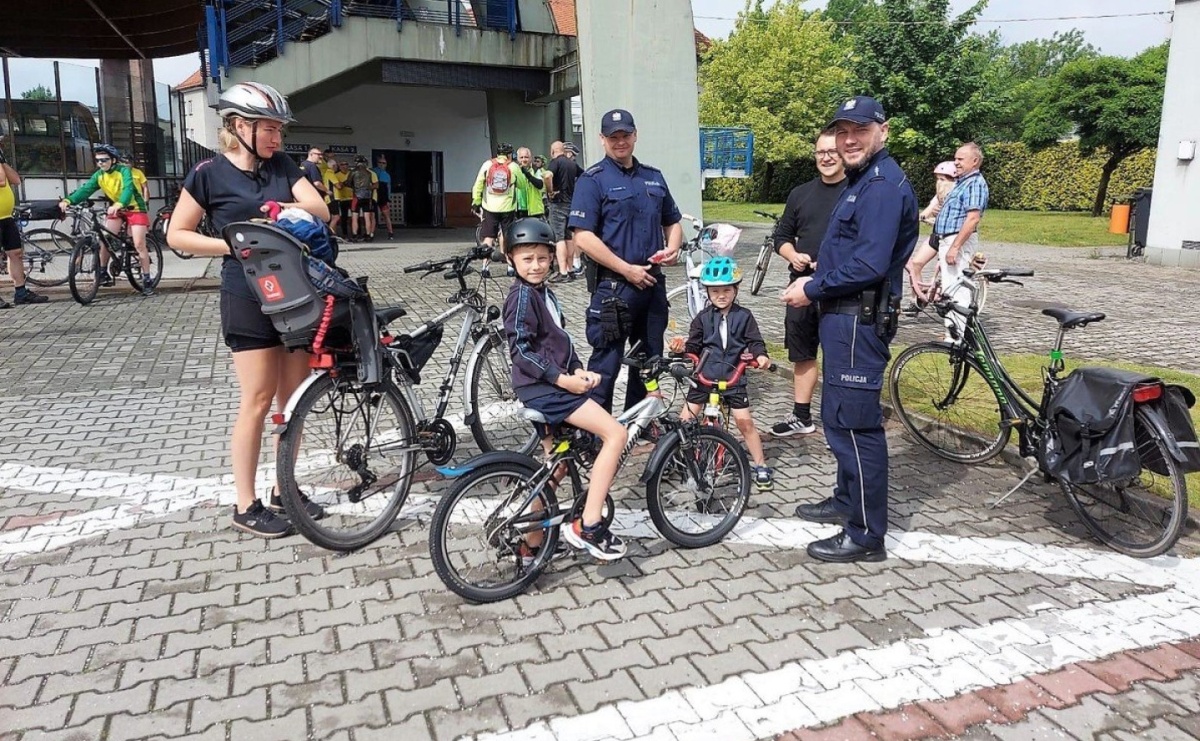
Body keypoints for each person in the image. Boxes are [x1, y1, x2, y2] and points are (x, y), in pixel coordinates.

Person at [166, 81, 330, 538]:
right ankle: (245, 503)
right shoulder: (208, 173)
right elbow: (178, 234)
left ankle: (284, 490)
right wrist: (235, 244)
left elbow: (320, 210)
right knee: (257, 400)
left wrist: (280, 209)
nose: (277, 137)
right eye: (269, 128)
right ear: (240, 126)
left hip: (294, 291)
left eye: (279, 129)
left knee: (293, 401)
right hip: (246, 294)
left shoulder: (282, 165)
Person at [781, 96, 918, 563]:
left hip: (858, 319)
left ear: (883, 130)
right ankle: (845, 499)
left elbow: (870, 264)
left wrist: (812, 287)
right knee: (839, 416)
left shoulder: (880, 187)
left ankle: (864, 534)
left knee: (855, 427)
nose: (849, 139)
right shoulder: (862, 179)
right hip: (844, 317)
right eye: (842, 131)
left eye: (859, 129)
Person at [502, 217, 628, 560]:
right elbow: (521, 350)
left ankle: (531, 545)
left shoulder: (544, 293)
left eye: (543, 258)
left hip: (546, 385)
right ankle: (590, 525)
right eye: (527, 259)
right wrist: (562, 380)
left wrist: (577, 370)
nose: (536, 265)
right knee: (615, 434)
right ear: (511, 258)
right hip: (544, 389)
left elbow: (559, 343)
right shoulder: (522, 297)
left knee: (556, 465)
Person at [570, 109, 683, 412]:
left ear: (635, 135)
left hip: (652, 284)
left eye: (625, 135)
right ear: (602, 139)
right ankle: (597, 431)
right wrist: (626, 269)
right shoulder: (592, 180)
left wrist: (673, 248)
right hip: (615, 288)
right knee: (605, 365)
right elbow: (582, 237)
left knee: (649, 362)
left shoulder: (653, 177)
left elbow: (672, 221)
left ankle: (637, 424)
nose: (620, 142)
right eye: (613, 137)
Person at [668, 256, 774, 490]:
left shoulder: (744, 316)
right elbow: (693, 345)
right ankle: (678, 458)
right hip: (704, 377)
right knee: (685, 420)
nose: (721, 295)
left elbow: (755, 341)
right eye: (715, 291)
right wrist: (681, 348)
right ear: (707, 292)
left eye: (727, 290)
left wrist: (761, 356)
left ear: (736, 289)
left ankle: (760, 464)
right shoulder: (702, 319)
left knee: (744, 422)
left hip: (733, 378)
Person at [769, 130, 847, 438]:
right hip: (800, 286)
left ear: (843, 153)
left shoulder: (856, 191)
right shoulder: (800, 194)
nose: (826, 158)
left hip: (841, 287)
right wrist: (794, 255)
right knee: (802, 353)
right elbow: (781, 237)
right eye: (820, 152)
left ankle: (842, 425)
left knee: (841, 359)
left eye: (832, 152)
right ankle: (801, 416)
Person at [60, 143, 156, 296]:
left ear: (113, 160)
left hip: (135, 208)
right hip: (117, 209)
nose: (100, 163)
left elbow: (128, 189)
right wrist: (68, 200)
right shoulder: (99, 175)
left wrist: (120, 203)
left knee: (139, 244)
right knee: (105, 238)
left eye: (104, 160)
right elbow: (86, 189)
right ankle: (103, 272)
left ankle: (147, 278)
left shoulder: (124, 171)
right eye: (98, 160)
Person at [933, 143, 989, 339]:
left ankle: (957, 337)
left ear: (975, 161)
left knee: (958, 288)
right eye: (955, 158)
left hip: (957, 240)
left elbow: (973, 218)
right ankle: (952, 332)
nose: (955, 162)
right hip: (949, 239)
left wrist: (955, 247)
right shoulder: (962, 182)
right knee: (950, 287)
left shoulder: (975, 183)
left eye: (960, 159)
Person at [903, 160, 957, 313]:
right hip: (936, 235)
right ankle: (917, 299)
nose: (939, 183)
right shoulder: (938, 196)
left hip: (951, 237)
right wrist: (922, 217)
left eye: (943, 179)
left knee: (946, 271)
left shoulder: (956, 194)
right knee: (915, 264)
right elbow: (929, 210)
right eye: (937, 179)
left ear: (952, 180)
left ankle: (950, 302)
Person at [0, 151, 48, 307]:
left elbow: (15, 179)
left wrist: (3, 161)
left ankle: (21, 293)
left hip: (6, 217)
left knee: (15, 253)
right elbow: (1, 180)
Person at [471, 142, 521, 252]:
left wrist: (476, 201)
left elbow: (478, 184)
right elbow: (522, 185)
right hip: (508, 207)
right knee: (506, 234)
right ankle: (506, 260)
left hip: (489, 207)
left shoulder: (487, 164)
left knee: (488, 237)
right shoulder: (513, 166)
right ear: (509, 154)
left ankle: (485, 262)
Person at [547, 141, 584, 281]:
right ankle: (570, 269)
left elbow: (547, 176)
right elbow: (584, 176)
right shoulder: (572, 164)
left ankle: (562, 272)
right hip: (571, 203)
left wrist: (550, 191)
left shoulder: (555, 162)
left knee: (559, 238)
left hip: (558, 204)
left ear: (552, 151)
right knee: (569, 237)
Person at [513, 146, 549, 221]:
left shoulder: (536, 170)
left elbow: (540, 185)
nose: (524, 160)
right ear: (517, 159)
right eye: (521, 157)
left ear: (530, 158)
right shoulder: (514, 170)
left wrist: (527, 173)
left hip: (535, 211)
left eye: (526, 157)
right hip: (518, 210)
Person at [348, 155, 378, 241]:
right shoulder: (369, 173)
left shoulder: (353, 172)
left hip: (356, 196)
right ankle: (368, 235)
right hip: (367, 196)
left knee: (355, 216)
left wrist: (354, 186)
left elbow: (349, 183)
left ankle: (354, 235)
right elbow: (373, 185)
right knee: (367, 216)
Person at [326, 160, 353, 237]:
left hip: (332, 198)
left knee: (332, 217)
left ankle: (333, 234)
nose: (337, 167)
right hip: (332, 198)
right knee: (336, 216)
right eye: (337, 166)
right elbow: (338, 186)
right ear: (333, 166)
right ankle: (330, 234)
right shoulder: (331, 173)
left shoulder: (327, 173)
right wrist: (345, 182)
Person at [372, 154, 395, 239]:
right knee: (372, 216)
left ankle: (390, 233)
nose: (381, 164)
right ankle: (371, 233)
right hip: (374, 196)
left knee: (386, 215)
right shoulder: (373, 171)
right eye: (380, 162)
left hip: (383, 197)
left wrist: (388, 199)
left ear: (386, 164)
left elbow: (389, 188)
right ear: (377, 163)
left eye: (383, 163)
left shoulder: (387, 175)